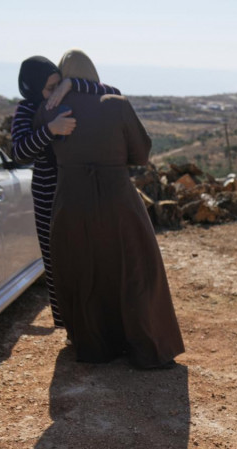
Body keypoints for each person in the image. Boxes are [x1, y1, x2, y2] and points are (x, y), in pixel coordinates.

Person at [39, 50, 184, 369]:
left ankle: (96, 348)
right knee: (134, 270)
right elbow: (142, 153)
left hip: (70, 203)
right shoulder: (116, 104)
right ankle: (147, 350)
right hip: (118, 200)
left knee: (84, 272)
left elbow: (44, 154)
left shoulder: (50, 110)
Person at [11, 56, 120, 330]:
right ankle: (69, 327)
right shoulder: (26, 110)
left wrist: (71, 83)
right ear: (33, 89)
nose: (55, 91)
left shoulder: (69, 96)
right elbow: (19, 152)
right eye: (50, 87)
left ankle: (102, 323)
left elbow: (114, 95)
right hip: (48, 195)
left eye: (58, 83)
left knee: (91, 254)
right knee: (55, 259)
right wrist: (49, 130)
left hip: (81, 191)